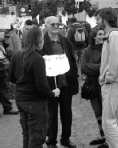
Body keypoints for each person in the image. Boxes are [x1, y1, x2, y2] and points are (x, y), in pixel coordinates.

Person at [9, 26, 60, 148]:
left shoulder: (17, 55)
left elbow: (11, 78)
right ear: (38, 39)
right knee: (37, 137)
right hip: (35, 103)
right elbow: (42, 86)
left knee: (27, 134)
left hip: (21, 100)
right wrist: (53, 93)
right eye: (42, 38)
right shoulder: (37, 59)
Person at [41, 16, 79, 148]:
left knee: (67, 113)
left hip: (65, 83)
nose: (56, 26)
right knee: (51, 115)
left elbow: (72, 60)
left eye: (57, 24)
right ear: (46, 26)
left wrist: (74, 78)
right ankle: (51, 141)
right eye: (52, 24)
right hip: (51, 85)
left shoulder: (65, 40)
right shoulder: (41, 42)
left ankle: (65, 139)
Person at [95, 7, 118, 148]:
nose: (97, 21)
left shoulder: (113, 35)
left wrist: (109, 77)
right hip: (114, 81)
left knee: (108, 121)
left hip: (112, 82)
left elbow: (115, 58)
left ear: (105, 19)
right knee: (115, 118)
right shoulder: (114, 34)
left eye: (98, 19)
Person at [81, 26, 108, 147]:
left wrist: (91, 67)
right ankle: (102, 136)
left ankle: (109, 139)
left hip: (104, 84)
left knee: (106, 112)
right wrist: (100, 67)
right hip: (92, 84)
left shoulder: (107, 49)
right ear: (94, 37)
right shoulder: (87, 50)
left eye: (103, 34)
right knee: (97, 112)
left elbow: (107, 67)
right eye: (100, 34)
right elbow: (83, 68)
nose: (102, 36)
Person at [0, 32, 19, 115]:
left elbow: (8, 52)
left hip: (2, 66)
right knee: (4, 87)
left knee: (4, 87)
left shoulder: (3, 42)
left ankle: (7, 107)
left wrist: (5, 43)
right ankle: (7, 107)